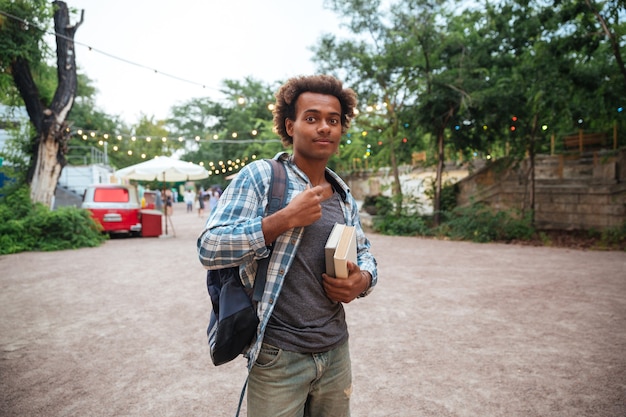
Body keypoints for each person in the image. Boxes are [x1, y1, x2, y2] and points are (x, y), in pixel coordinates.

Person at [197, 74, 378, 417]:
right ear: (290, 125)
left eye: (333, 120)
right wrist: (281, 220)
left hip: (336, 352)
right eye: (312, 118)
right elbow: (209, 247)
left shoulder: (342, 194)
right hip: (277, 355)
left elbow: (365, 253)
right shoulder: (261, 177)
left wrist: (362, 280)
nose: (324, 127)